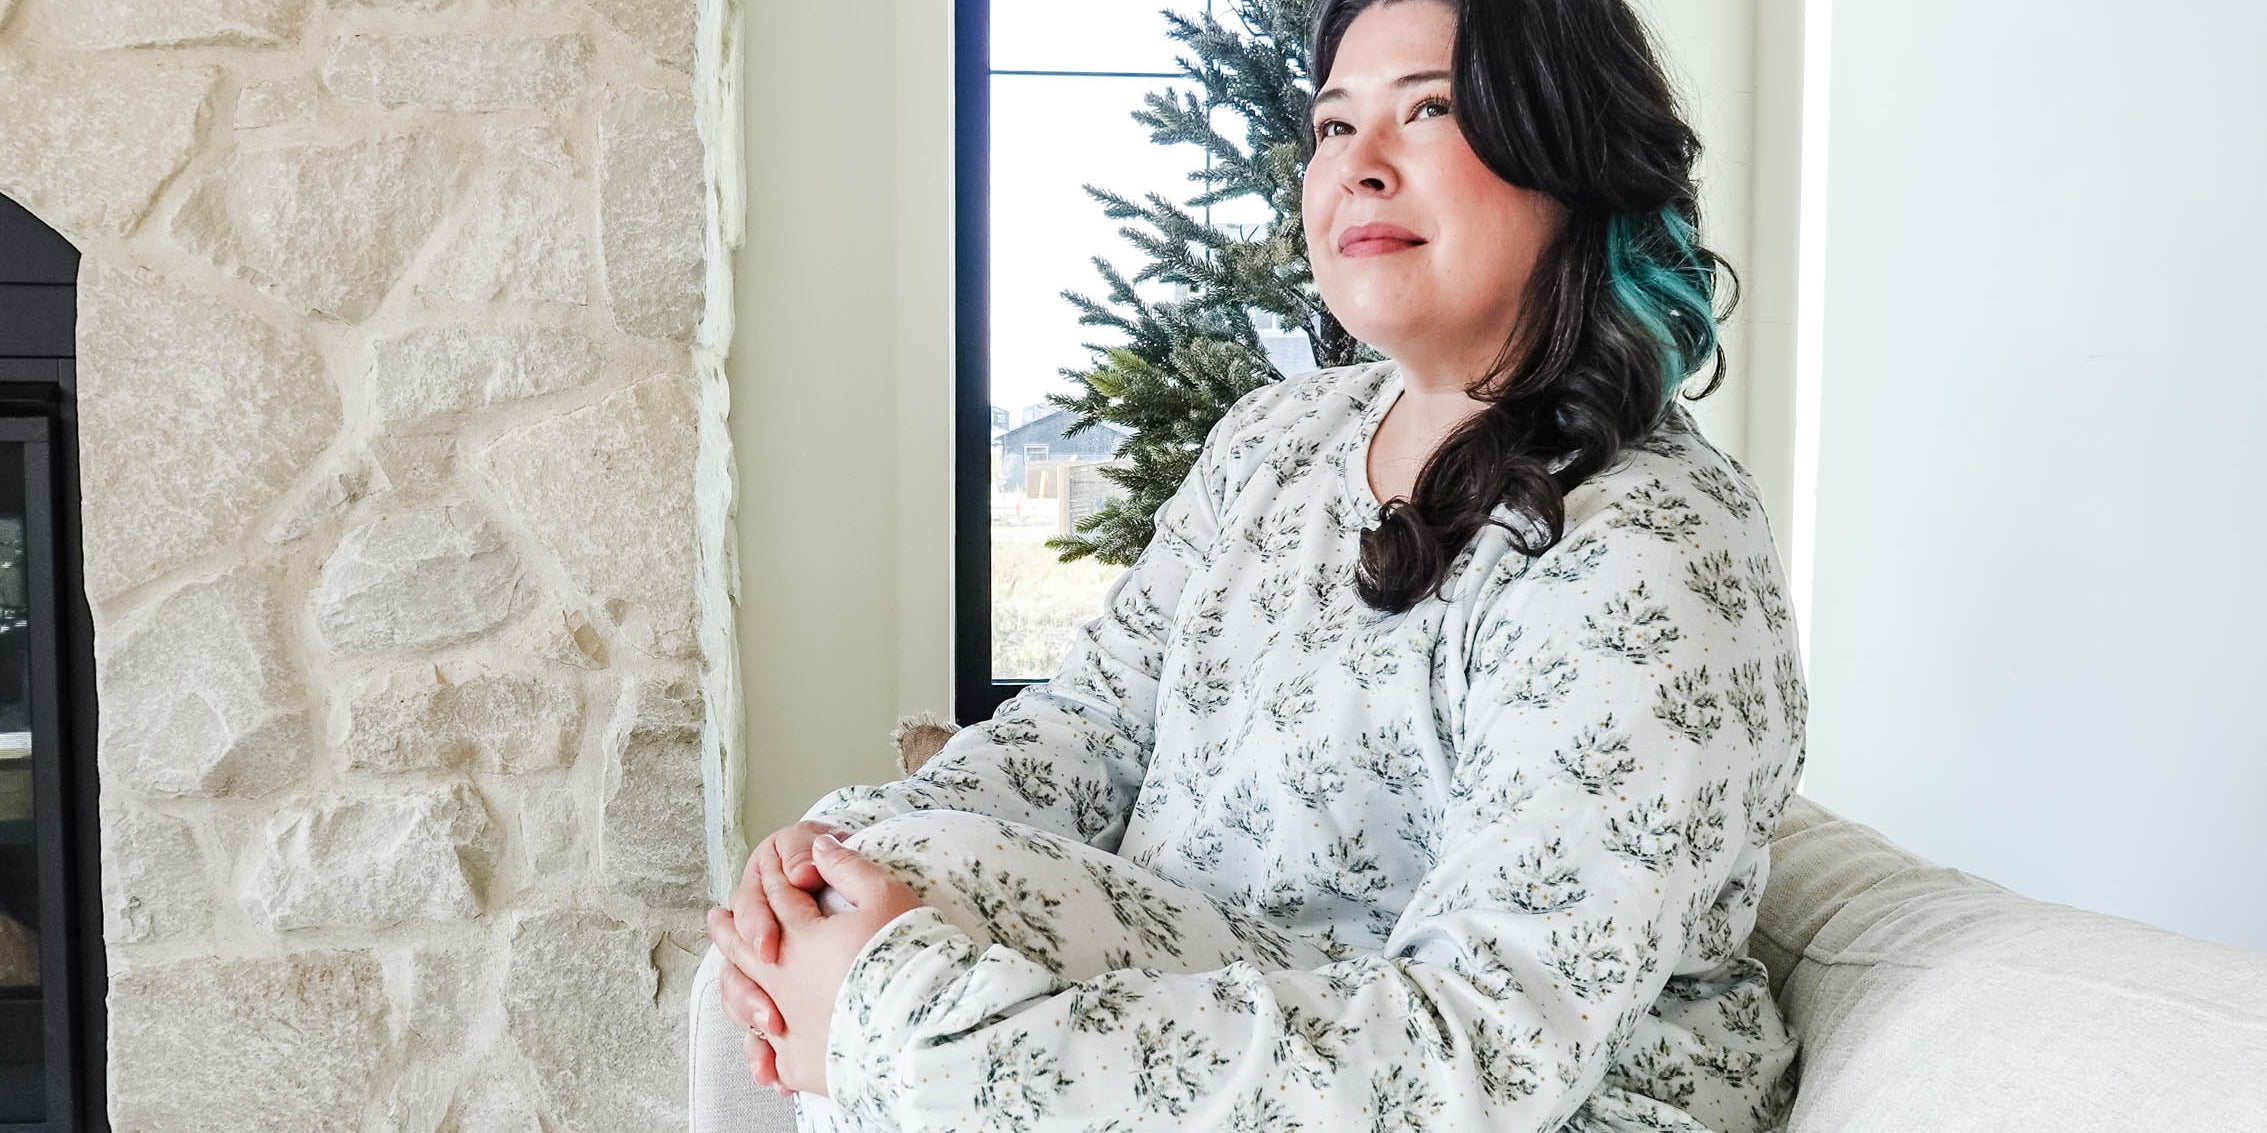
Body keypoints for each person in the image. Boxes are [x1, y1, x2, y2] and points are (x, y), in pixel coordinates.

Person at [703, 0, 1807, 1129]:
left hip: (1511, 1097)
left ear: (1570, 153)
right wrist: (847, 847)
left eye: (1426, 109)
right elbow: (1094, 725)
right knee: (876, 897)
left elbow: (1480, 1054)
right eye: (1332, 127)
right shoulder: (1277, 438)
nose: (1357, 168)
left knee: (897, 969)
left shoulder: (1642, 555)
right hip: (1241, 1013)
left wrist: (908, 1017)